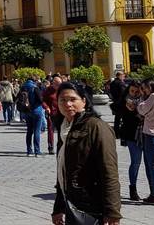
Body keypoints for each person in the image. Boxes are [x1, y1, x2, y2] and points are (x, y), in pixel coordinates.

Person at [52, 82, 121, 225]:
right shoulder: (65, 128)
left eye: (72, 99)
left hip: (92, 205)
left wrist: (112, 211)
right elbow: (62, 171)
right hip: (72, 202)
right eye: (62, 100)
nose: (67, 104)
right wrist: (58, 207)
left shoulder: (96, 127)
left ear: (84, 101)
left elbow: (109, 171)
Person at [118, 82, 146, 201]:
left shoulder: (145, 101)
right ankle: (133, 188)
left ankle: (153, 191)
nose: (134, 93)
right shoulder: (126, 102)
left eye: (137, 91)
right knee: (135, 162)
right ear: (128, 91)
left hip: (145, 134)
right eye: (132, 91)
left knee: (150, 163)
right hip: (131, 134)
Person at [19, 75, 45, 156]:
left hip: (27, 111)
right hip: (36, 111)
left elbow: (18, 98)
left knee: (29, 131)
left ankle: (29, 150)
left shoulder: (22, 87)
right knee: (37, 131)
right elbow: (40, 100)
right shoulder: (35, 88)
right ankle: (37, 151)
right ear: (34, 81)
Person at [42, 77, 61, 154]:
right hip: (51, 113)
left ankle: (60, 147)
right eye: (58, 84)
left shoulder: (61, 90)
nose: (59, 85)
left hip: (60, 113)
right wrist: (46, 107)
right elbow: (42, 100)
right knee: (50, 130)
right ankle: (51, 147)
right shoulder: (48, 90)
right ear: (53, 83)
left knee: (61, 131)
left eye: (60, 84)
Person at [108, 71, 127, 137]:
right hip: (122, 103)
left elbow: (110, 92)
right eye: (123, 75)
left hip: (116, 102)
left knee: (117, 119)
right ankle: (123, 132)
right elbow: (123, 93)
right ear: (119, 75)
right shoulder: (120, 83)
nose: (124, 76)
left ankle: (116, 132)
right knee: (124, 118)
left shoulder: (112, 83)